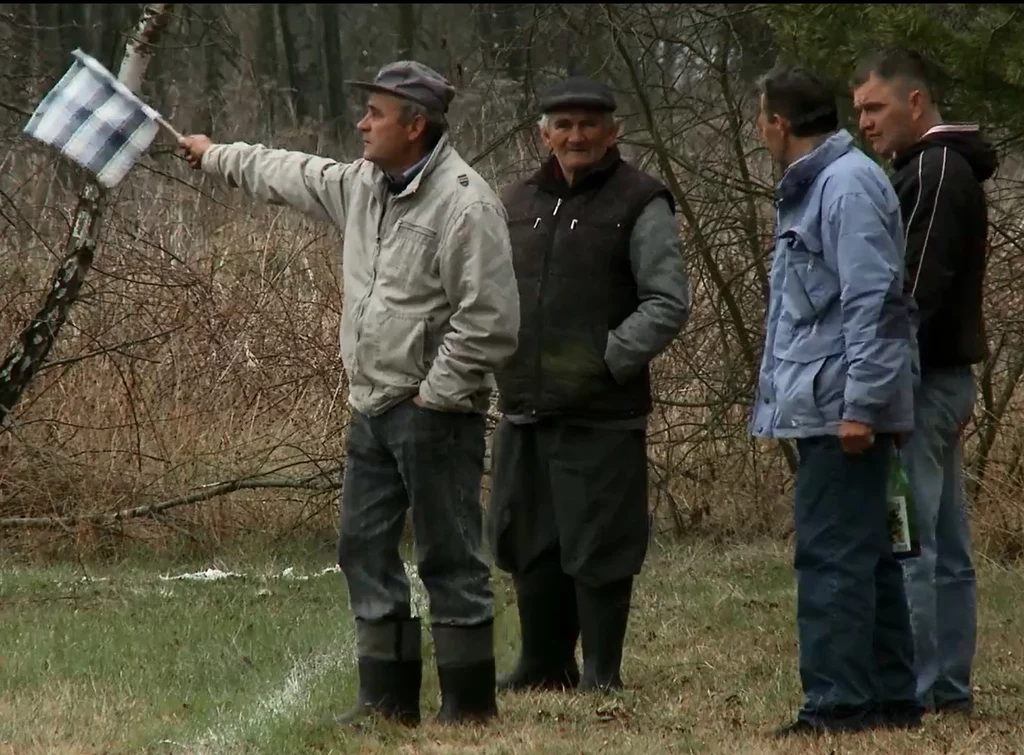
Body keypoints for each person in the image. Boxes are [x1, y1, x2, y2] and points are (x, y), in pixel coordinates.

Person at [179, 60, 520, 726]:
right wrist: (214, 154)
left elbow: (491, 321)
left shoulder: (465, 201)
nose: (361, 124)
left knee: (451, 556)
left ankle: (469, 709)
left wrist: (436, 394)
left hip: (435, 414)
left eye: (376, 113)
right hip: (370, 408)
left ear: (415, 125)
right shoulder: (365, 185)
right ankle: (387, 702)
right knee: (362, 549)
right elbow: (290, 171)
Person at [487, 76, 691, 694]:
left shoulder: (641, 200)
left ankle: (603, 672)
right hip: (525, 407)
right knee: (528, 539)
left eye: (589, 124)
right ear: (543, 133)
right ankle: (543, 665)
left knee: (600, 545)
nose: (576, 136)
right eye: (563, 124)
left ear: (614, 130)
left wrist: (606, 359)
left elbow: (667, 302)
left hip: (602, 412)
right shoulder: (513, 201)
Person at [748, 63, 924, 735]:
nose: (760, 132)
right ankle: (887, 698)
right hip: (834, 403)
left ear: (779, 124)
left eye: (760, 120)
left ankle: (838, 705)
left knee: (832, 557)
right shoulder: (822, 185)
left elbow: (875, 302)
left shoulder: (844, 186)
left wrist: (864, 405)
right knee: (871, 554)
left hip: (841, 410)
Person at [851, 47, 998, 717]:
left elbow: (912, 289)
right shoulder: (930, 168)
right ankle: (944, 686)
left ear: (915, 102)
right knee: (943, 546)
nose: (865, 124)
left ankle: (923, 688)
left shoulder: (935, 171)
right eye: (857, 111)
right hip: (938, 384)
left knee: (912, 543)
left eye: (875, 108)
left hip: (921, 387)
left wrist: (879, 381)